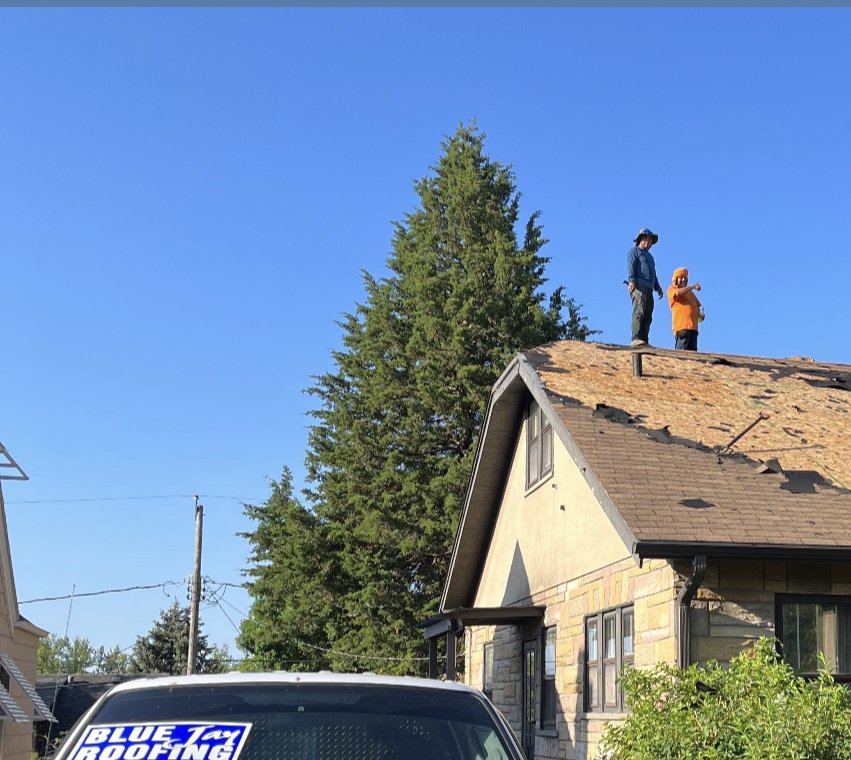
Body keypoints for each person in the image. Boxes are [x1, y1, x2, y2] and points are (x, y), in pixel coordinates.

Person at [626, 228, 663, 347]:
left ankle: (644, 339)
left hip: (649, 288)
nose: (648, 241)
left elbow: (653, 273)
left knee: (648, 313)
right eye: (646, 238)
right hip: (639, 285)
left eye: (650, 239)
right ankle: (635, 337)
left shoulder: (651, 257)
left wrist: (658, 287)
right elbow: (631, 265)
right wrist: (631, 280)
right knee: (639, 310)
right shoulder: (634, 251)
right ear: (640, 239)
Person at [667, 267, 703, 350]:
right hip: (682, 328)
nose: (684, 279)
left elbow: (698, 306)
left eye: (685, 278)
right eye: (681, 277)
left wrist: (699, 314)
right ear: (676, 279)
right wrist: (692, 287)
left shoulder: (690, 293)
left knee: (693, 356)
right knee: (681, 354)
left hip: (693, 328)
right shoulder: (672, 289)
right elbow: (677, 294)